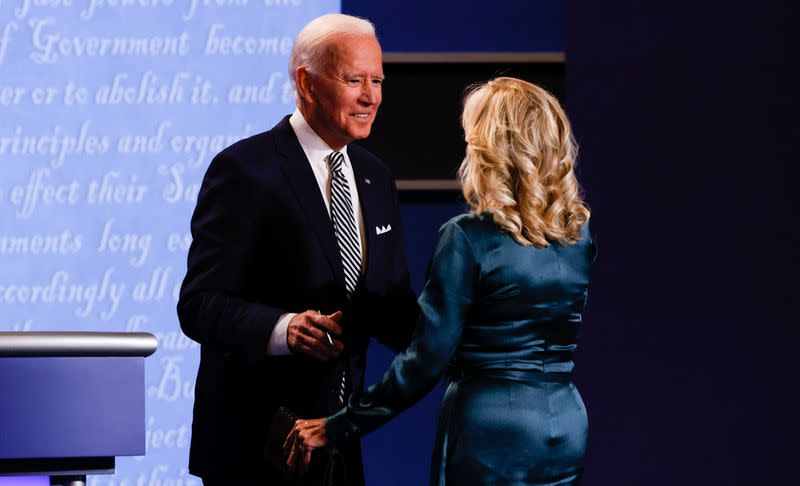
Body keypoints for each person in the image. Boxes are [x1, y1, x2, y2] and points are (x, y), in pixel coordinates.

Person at [285, 77, 597, 485]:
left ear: (488, 148)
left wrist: (339, 425)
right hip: (568, 422)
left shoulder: (466, 236)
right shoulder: (579, 234)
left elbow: (424, 362)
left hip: (490, 428)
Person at [177, 13, 418, 485]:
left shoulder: (376, 177)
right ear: (306, 83)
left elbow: (392, 307)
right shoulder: (244, 171)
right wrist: (284, 329)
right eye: (354, 80)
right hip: (256, 450)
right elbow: (199, 306)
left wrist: (474, 347)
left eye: (377, 80)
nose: (371, 97)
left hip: (337, 444)